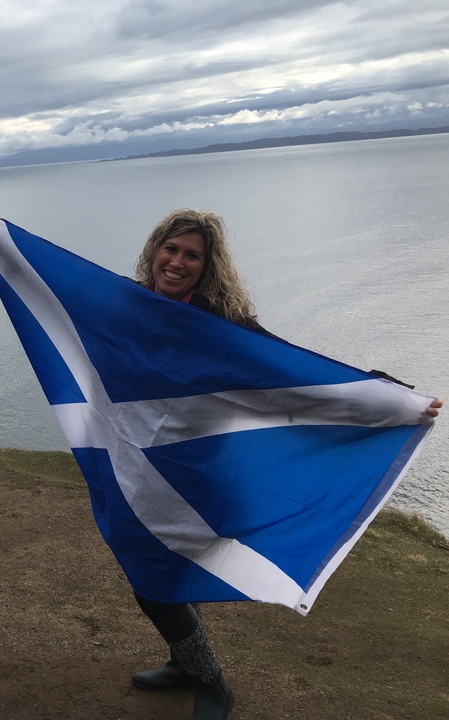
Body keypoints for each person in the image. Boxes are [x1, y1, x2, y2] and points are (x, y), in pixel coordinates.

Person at [129, 209, 442, 720]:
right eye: (171, 249)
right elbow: (58, 294)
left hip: (192, 472)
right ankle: (186, 664)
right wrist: (0, 241)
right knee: (149, 570)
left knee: (156, 577)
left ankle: (210, 681)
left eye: (192, 255)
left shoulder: (222, 324)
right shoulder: (127, 303)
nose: (177, 262)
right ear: (154, 249)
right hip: (135, 464)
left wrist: (380, 391)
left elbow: (292, 371)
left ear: (207, 267)